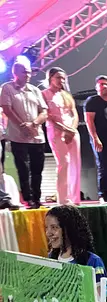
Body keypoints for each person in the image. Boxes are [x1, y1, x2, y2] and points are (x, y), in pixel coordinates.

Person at [0, 57, 48, 209]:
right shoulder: (7, 88)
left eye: (28, 72)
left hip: (37, 136)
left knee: (37, 169)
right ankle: (28, 198)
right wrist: (23, 126)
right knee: (23, 168)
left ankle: (37, 197)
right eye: (24, 72)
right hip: (18, 136)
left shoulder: (35, 90)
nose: (27, 75)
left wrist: (34, 124)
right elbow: (7, 109)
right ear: (15, 73)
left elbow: (44, 111)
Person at [42, 67, 81, 205]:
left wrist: (72, 129)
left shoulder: (66, 95)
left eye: (63, 78)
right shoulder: (44, 94)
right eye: (58, 77)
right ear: (50, 78)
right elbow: (49, 117)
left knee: (75, 164)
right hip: (56, 132)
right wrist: (64, 129)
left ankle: (75, 198)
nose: (61, 80)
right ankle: (63, 199)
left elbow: (74, 113)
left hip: (72, 131)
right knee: (64, 163)